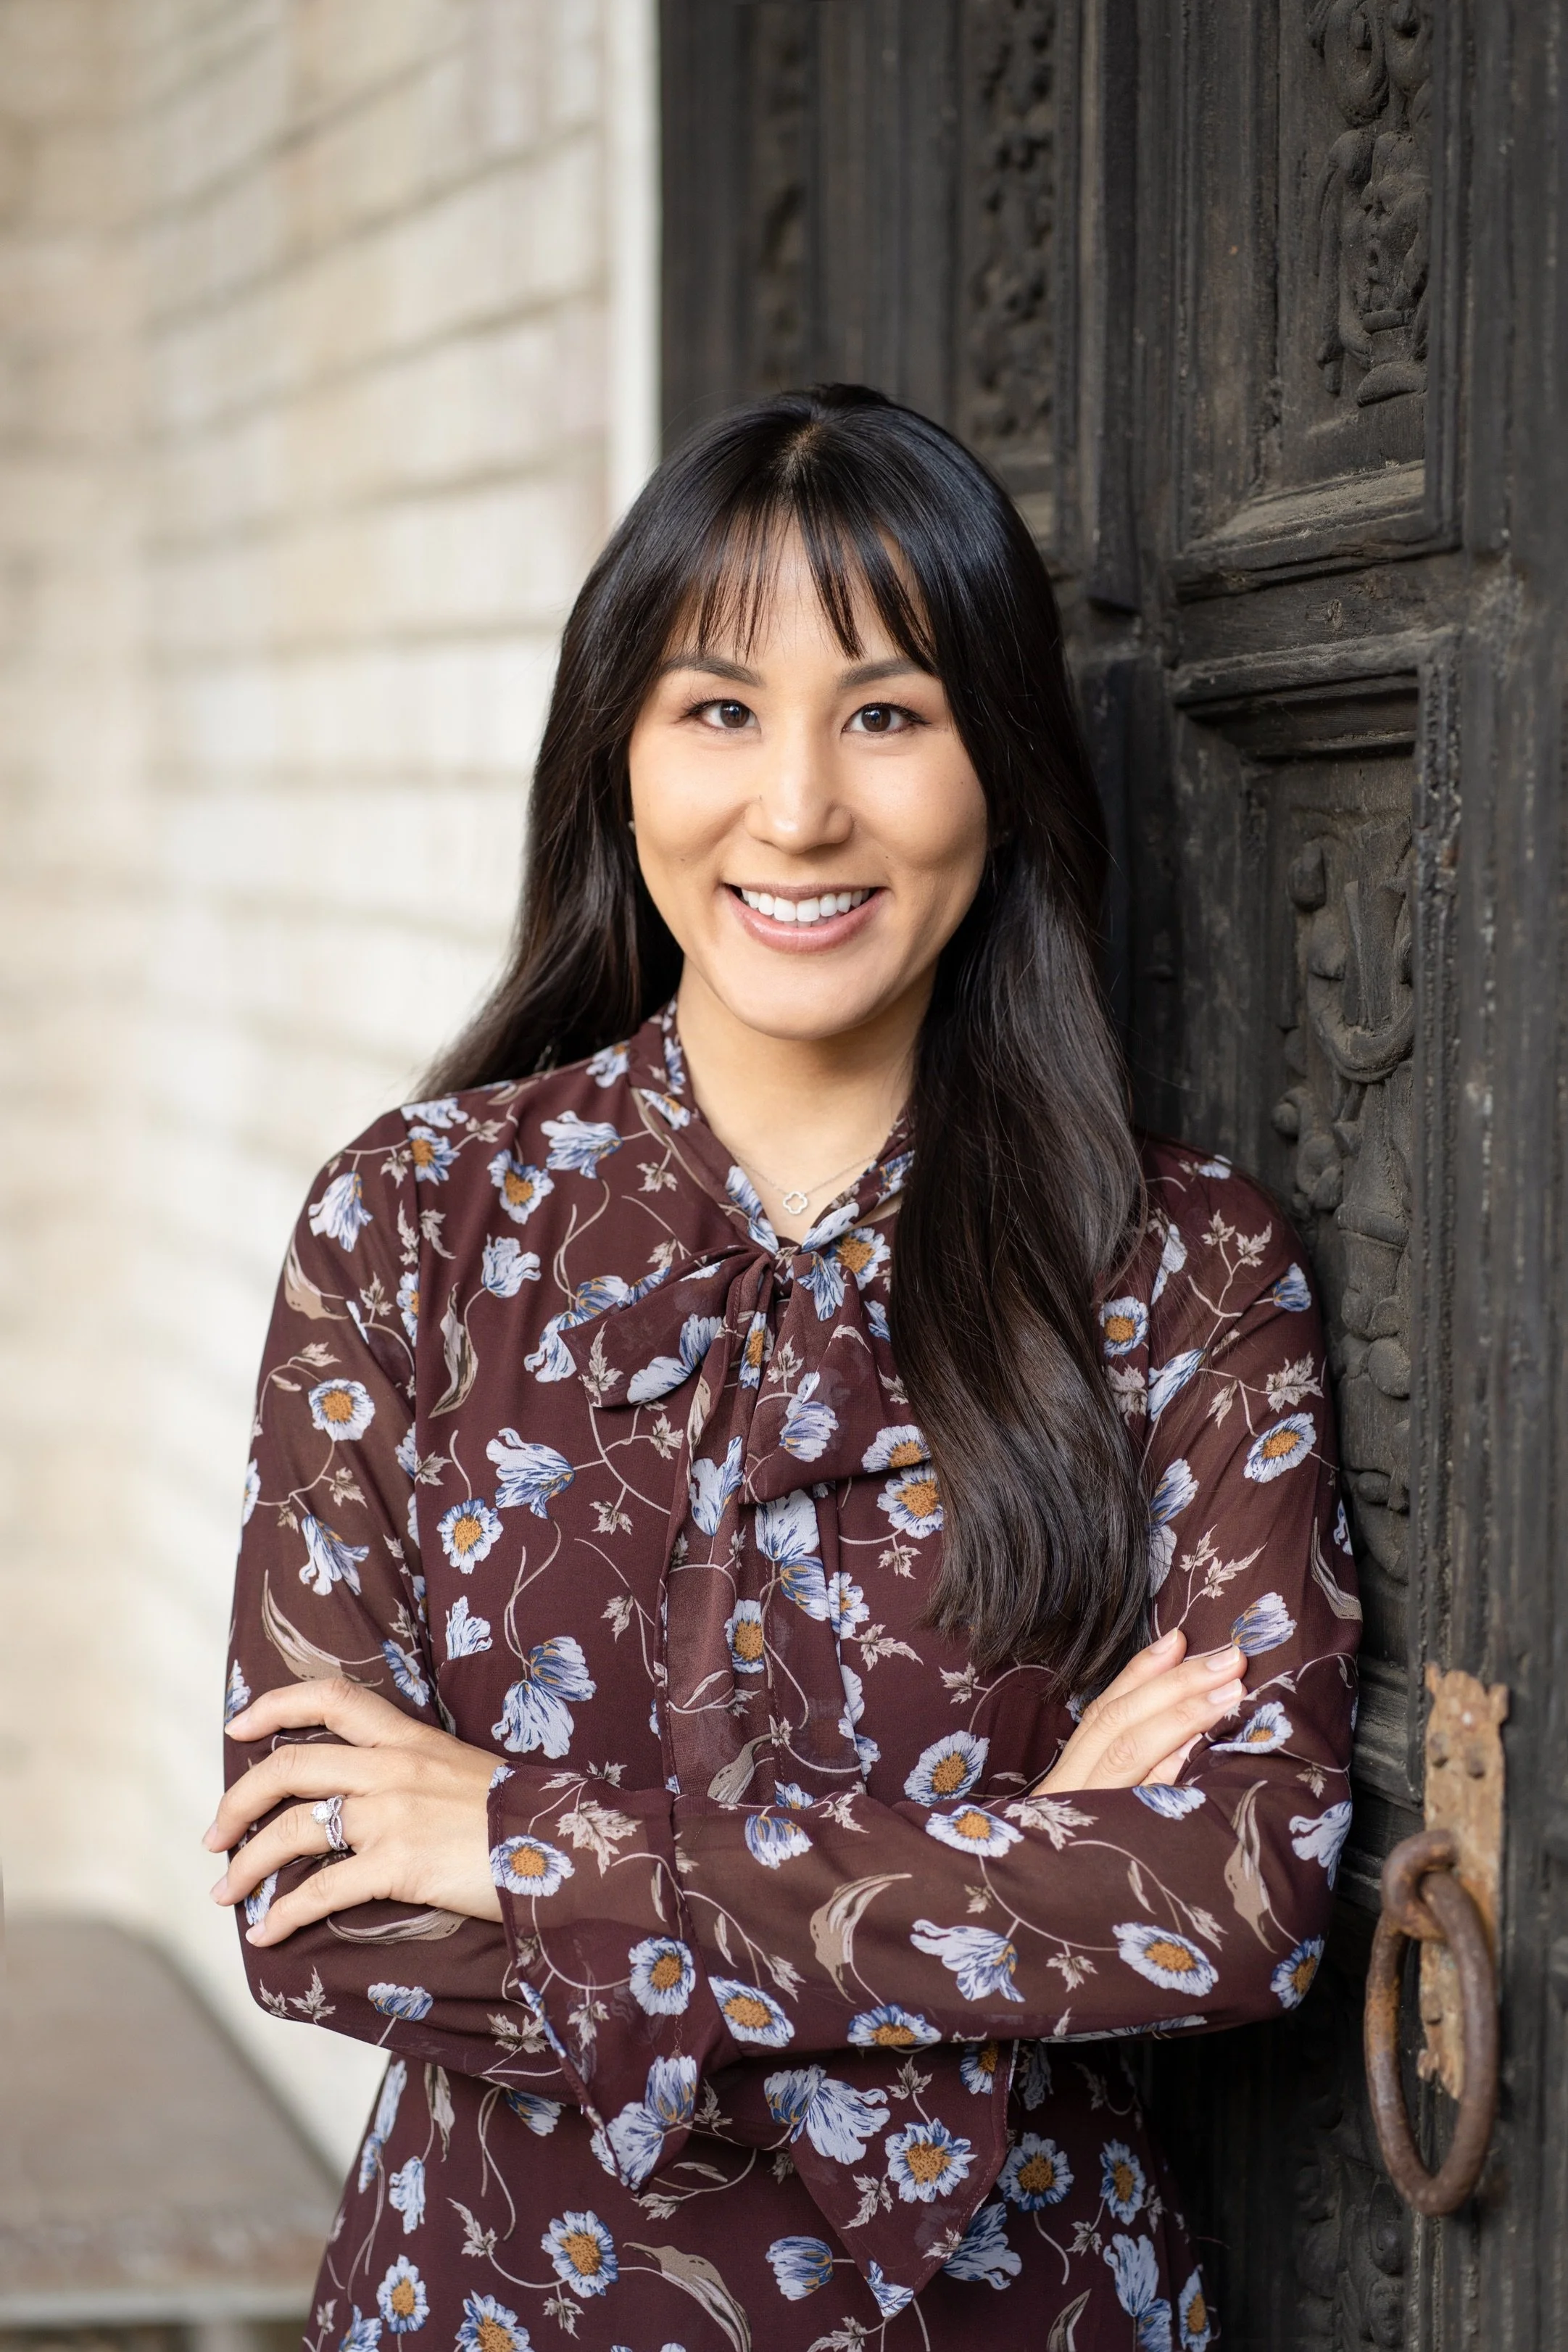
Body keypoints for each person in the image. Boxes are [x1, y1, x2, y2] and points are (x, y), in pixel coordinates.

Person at [207, 384, 1356, 2351]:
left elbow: (1238, 1887)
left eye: (889, 712)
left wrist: (526, 1840)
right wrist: (1015, 1886)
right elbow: (321, 1909)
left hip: (1028, 2309)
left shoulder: (1183, 1266)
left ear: (998, 761)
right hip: (496, 2301)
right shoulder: (412, 1223)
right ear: (620, 756)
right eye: (719, 709)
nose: (801, 808)